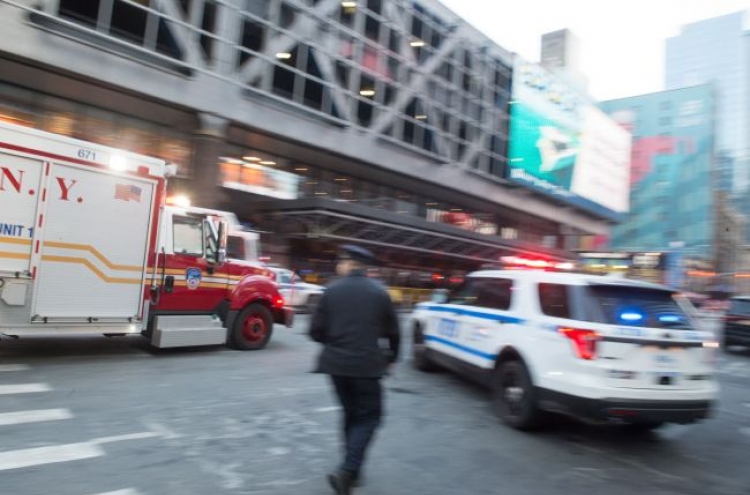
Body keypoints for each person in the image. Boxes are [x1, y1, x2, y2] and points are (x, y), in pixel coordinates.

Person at [309, 244, 401, 495]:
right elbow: (393, 332)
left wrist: (336, 341)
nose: (338, 265)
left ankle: (352, 471)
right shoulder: (380, 293)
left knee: (351, 414)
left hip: (336, 366)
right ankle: (348, 471)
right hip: (367, 366)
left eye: (340, 260)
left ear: (350, 264)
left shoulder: (331, 291)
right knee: (370, 417)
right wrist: (391, 356)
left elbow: (315, 331)